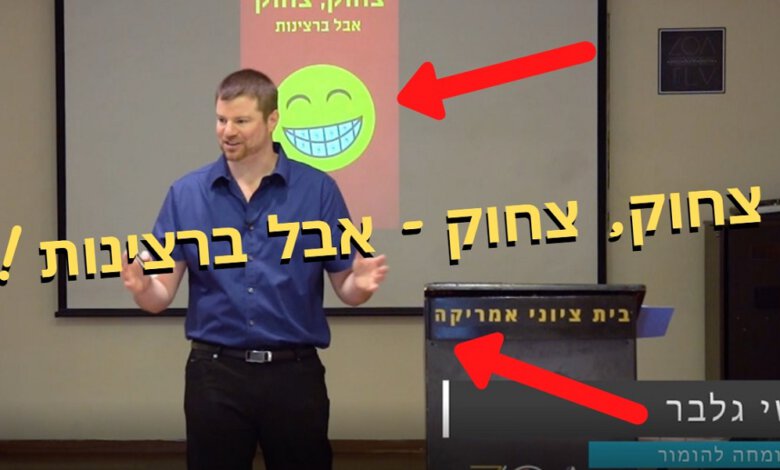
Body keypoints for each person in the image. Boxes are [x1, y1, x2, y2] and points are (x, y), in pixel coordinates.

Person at [120, 68, 388, 470]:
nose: (228, 131)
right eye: (221, 120)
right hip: (215, 376)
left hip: (294, 375)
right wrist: (142, 287)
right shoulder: (186, 194)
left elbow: (346, 288)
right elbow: (160, 296)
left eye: (241, 121)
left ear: (272, 119)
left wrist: (361, 284)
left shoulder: (317, 190)